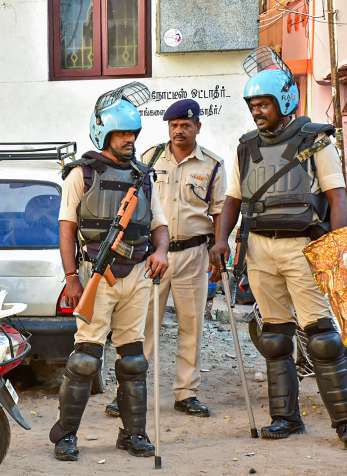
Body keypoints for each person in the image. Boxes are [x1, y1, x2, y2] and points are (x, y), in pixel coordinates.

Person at [210, 48, 347, 445]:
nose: (257, 111)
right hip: (259, 249)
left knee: (321, 336)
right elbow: (233, 199)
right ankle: (285, 418)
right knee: (274, 336)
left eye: (264, 104)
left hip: (303, 248)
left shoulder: (316, 141)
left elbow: (337, 195)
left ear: (284, 101)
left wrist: (337, 248)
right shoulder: (246, 147)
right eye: (253, 105)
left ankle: (343, 421)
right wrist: (220, 241)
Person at [49, 85, 169, 461]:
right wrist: (72, 278)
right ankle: (66, 435)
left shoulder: (143, 177)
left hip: (136, 275)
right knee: (85, 358)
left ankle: (133, 434)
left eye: (132, 133)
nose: (129, 140)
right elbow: (66, 228)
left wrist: (161, 251)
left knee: (133, 359)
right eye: (121, 134)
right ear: (103, 133)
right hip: (95, 275)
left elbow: (159, 225)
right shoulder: (82, 174)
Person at [105, 99, 225, 418]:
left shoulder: (212, 164)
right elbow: (132, 201)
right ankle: (129, 391)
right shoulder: (150, 158)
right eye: (174, 126)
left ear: (198, 127)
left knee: (191, 325)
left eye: (185, 125)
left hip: (193, 253)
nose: (179, 131)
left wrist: (220, 248)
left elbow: (219, 211)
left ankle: (186, 392)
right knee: (141, 326)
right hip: (152, 256)